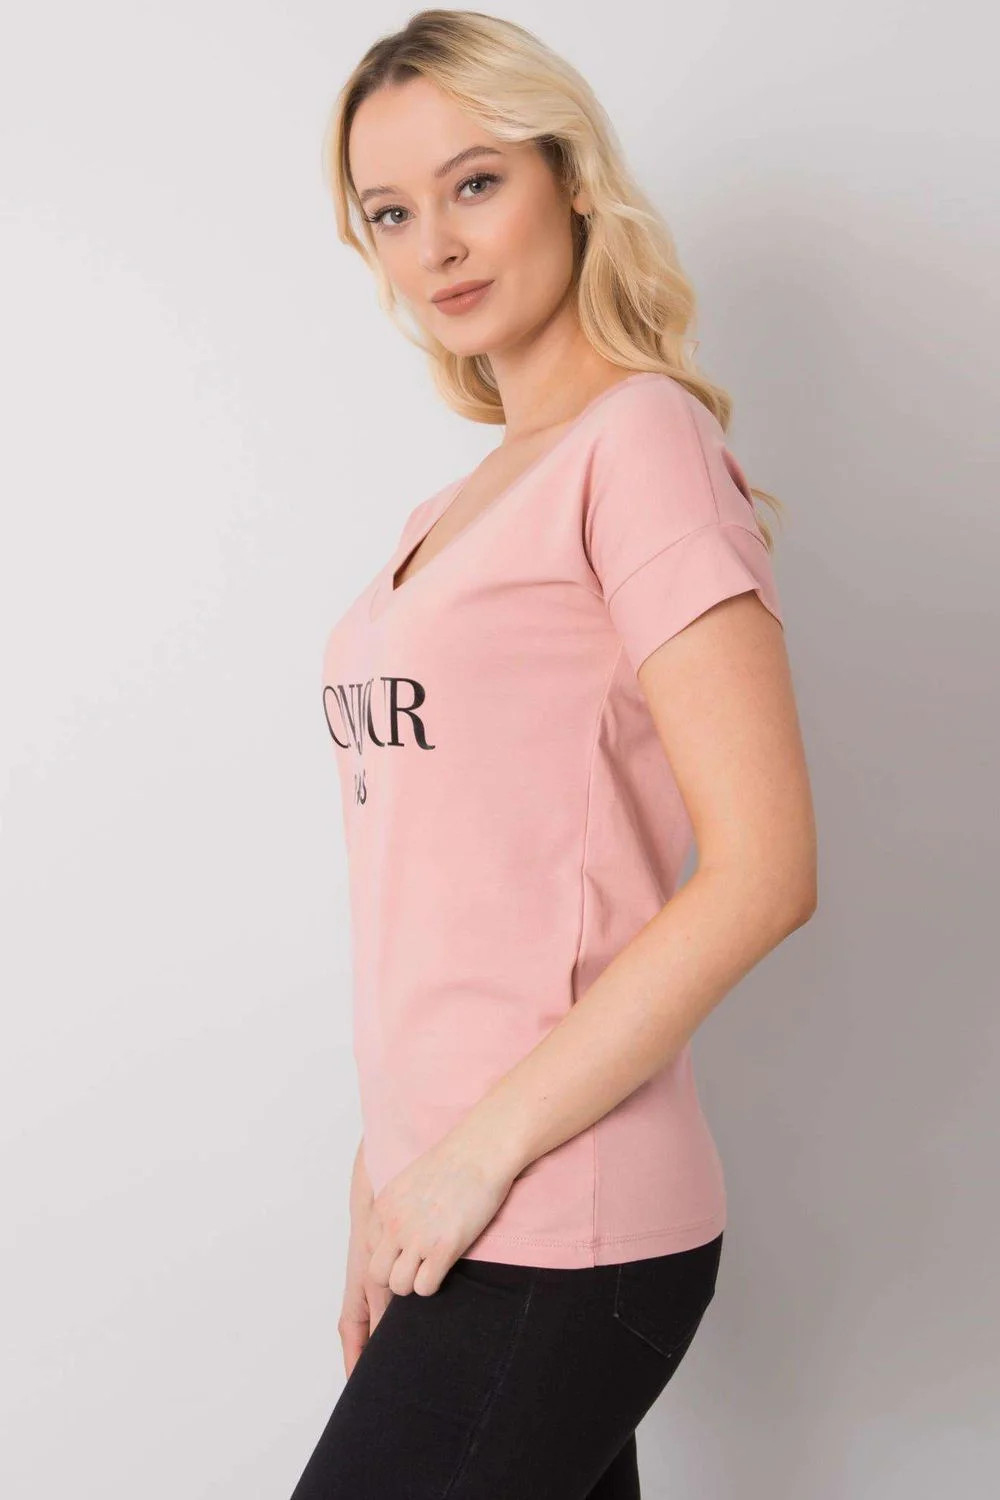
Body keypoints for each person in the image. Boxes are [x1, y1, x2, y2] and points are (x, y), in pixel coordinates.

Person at [295, 10, 817, 1498]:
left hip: (557, 1214)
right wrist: (386, 1171)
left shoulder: (639, 442)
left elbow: (767, 870)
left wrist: (469, 1161)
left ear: (571, 177)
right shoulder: (449, 512)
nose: (438, 246)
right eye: (391, 213)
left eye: (475, 184)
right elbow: (443, 892)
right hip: (449, 1204)